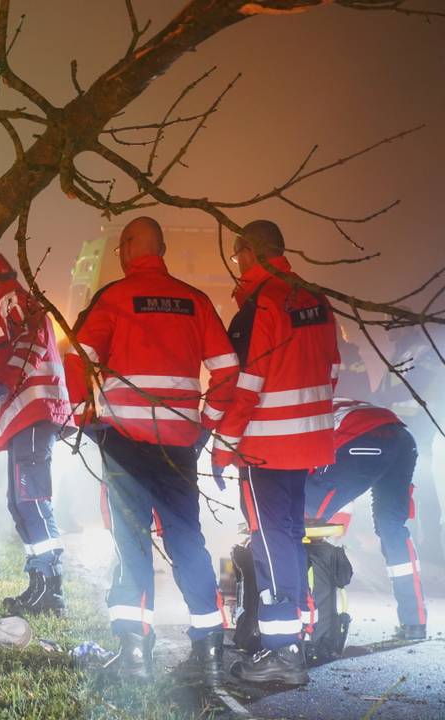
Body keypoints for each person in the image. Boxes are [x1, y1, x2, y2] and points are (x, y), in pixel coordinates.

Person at [64, 217, 238, 685]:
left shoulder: (115, 298)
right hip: (179, 444)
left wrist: (83, 415)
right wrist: (207, 424)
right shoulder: (195, 300)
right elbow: (227, 370)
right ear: (161, 249)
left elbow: (78, 357)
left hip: (124, 443)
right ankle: (210, 652)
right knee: (187, 542)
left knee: (132, 543)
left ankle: (135, 655)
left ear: (125, 250)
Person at [214, 219, 340, 686]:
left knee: (270, 543)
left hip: (267, 446)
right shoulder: (316, 299)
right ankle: (292, 640)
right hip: (308, 442)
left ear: (249, 252)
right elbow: (331, 369)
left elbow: (244, 387)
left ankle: (281, 653)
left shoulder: (260, 305)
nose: (236, 264)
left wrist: (223, 446)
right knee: (287, 535)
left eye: (236, 256)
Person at [0, 253, 71, 616]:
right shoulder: (9, 301)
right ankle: (39, 583)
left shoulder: (12, 299)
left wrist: (4, 384)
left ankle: (52, 588)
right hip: (24, 413)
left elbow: (31, 341)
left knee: (31, 499)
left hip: (32, 410)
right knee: (19, 501)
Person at [306, 399, 427, 640]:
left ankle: (305, 625)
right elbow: (344, 483)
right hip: (402, 439)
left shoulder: (297, 417)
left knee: (301, 515)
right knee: (392, 526)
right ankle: (415, 623)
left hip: (363, 440)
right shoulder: (332, 402)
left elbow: (312, 474)